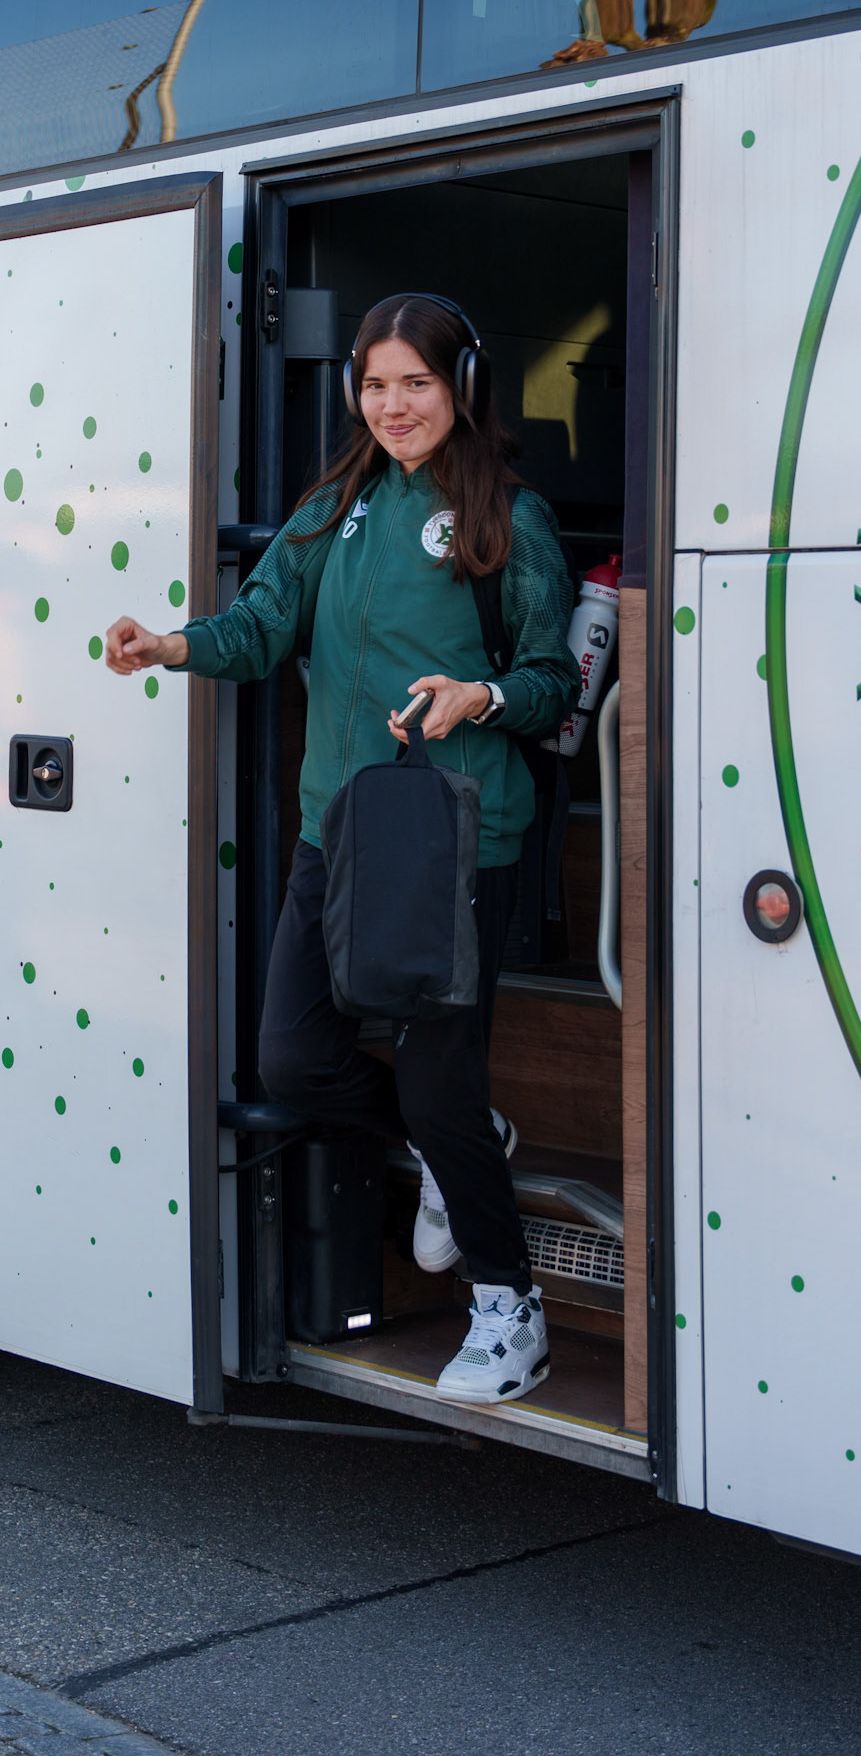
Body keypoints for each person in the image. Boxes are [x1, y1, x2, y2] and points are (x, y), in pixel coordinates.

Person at [105, 292, 580, 1405]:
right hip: (340, 828)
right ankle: (445, 1141)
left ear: (460, 385)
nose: (393, 404)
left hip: (458, 836)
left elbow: (556, 679)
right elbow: (264, 623)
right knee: (290, 1054)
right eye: (375, 384)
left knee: (437, 1069)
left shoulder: (509, 515)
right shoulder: (339, 506)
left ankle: (511, 1309)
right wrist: (171, 642)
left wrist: (485, 694)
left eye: (415, 382)